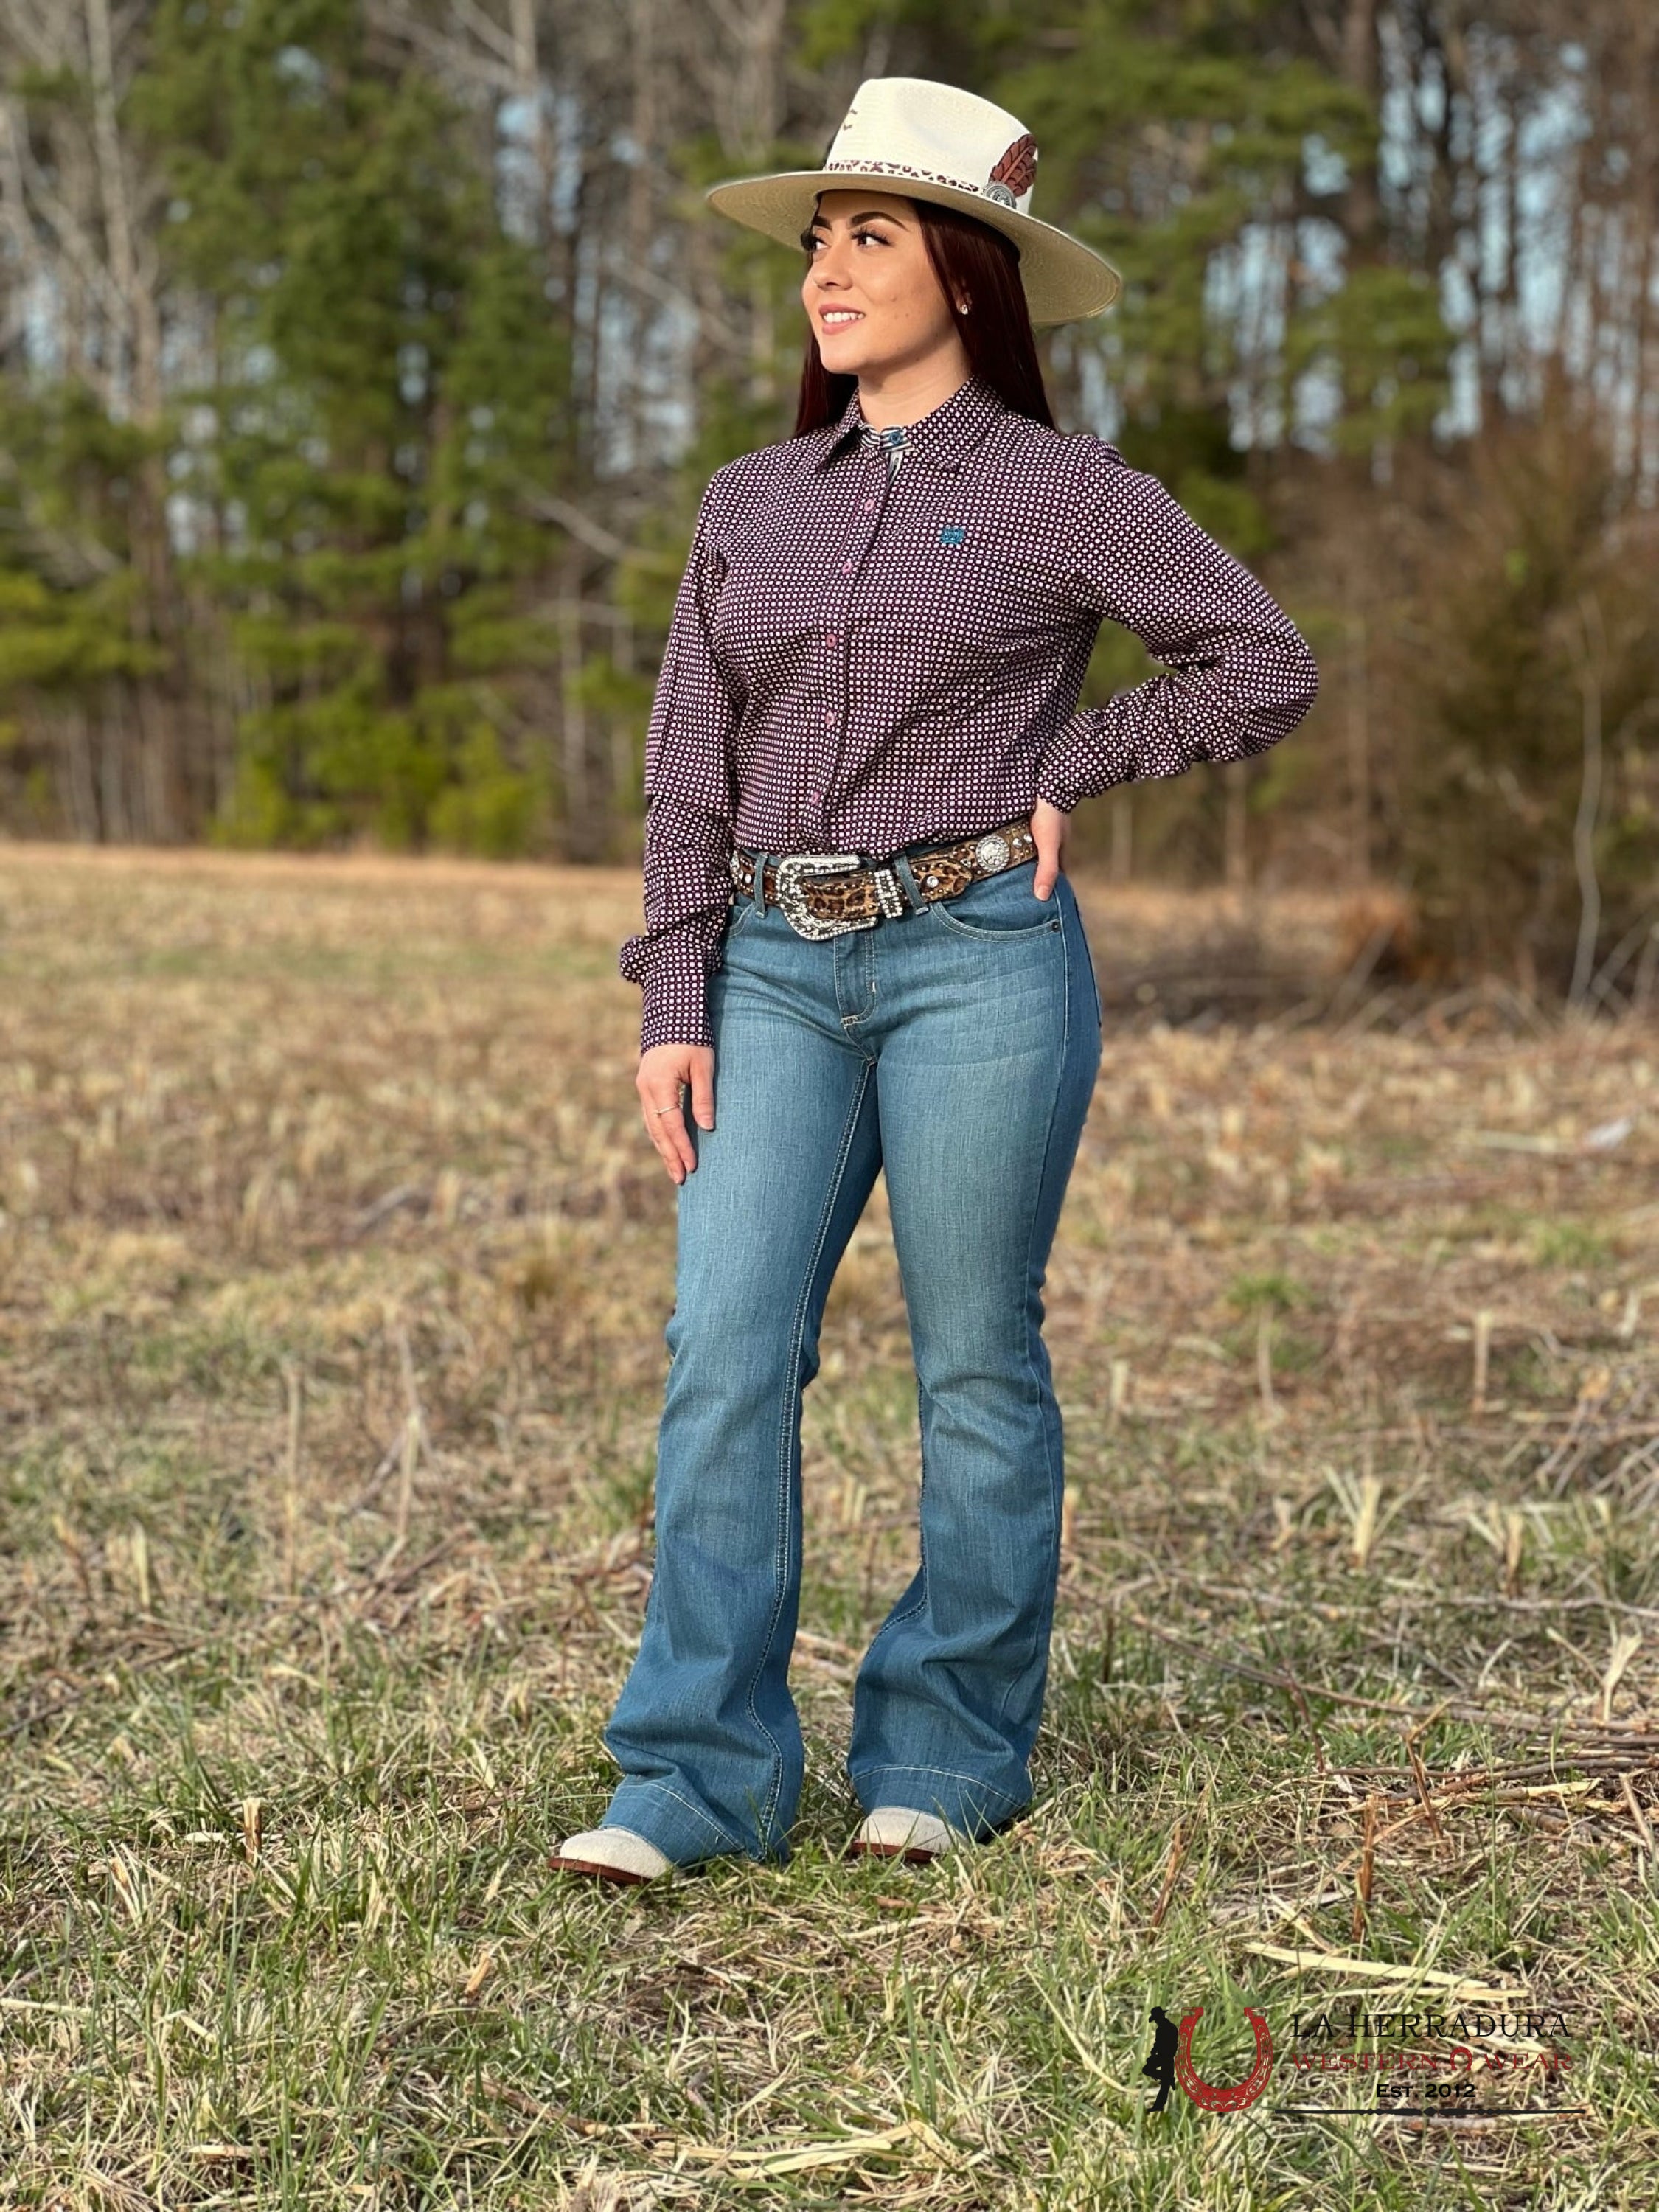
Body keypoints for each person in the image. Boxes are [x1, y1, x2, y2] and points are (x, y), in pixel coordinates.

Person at [552, 77, 1318, 1885]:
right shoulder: (752, 500)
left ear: (967, 274)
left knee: (977, 1363)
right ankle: (692, 1777)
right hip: (768, 968)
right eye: (820, 237)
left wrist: (1085, 762)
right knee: (725, 1350)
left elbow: (1261, 662)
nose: (827, 267)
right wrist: (673, 996)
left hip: (981, 964)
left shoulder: (1067, 495)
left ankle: (954, 1753)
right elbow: (688, 765)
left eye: (869, 235)